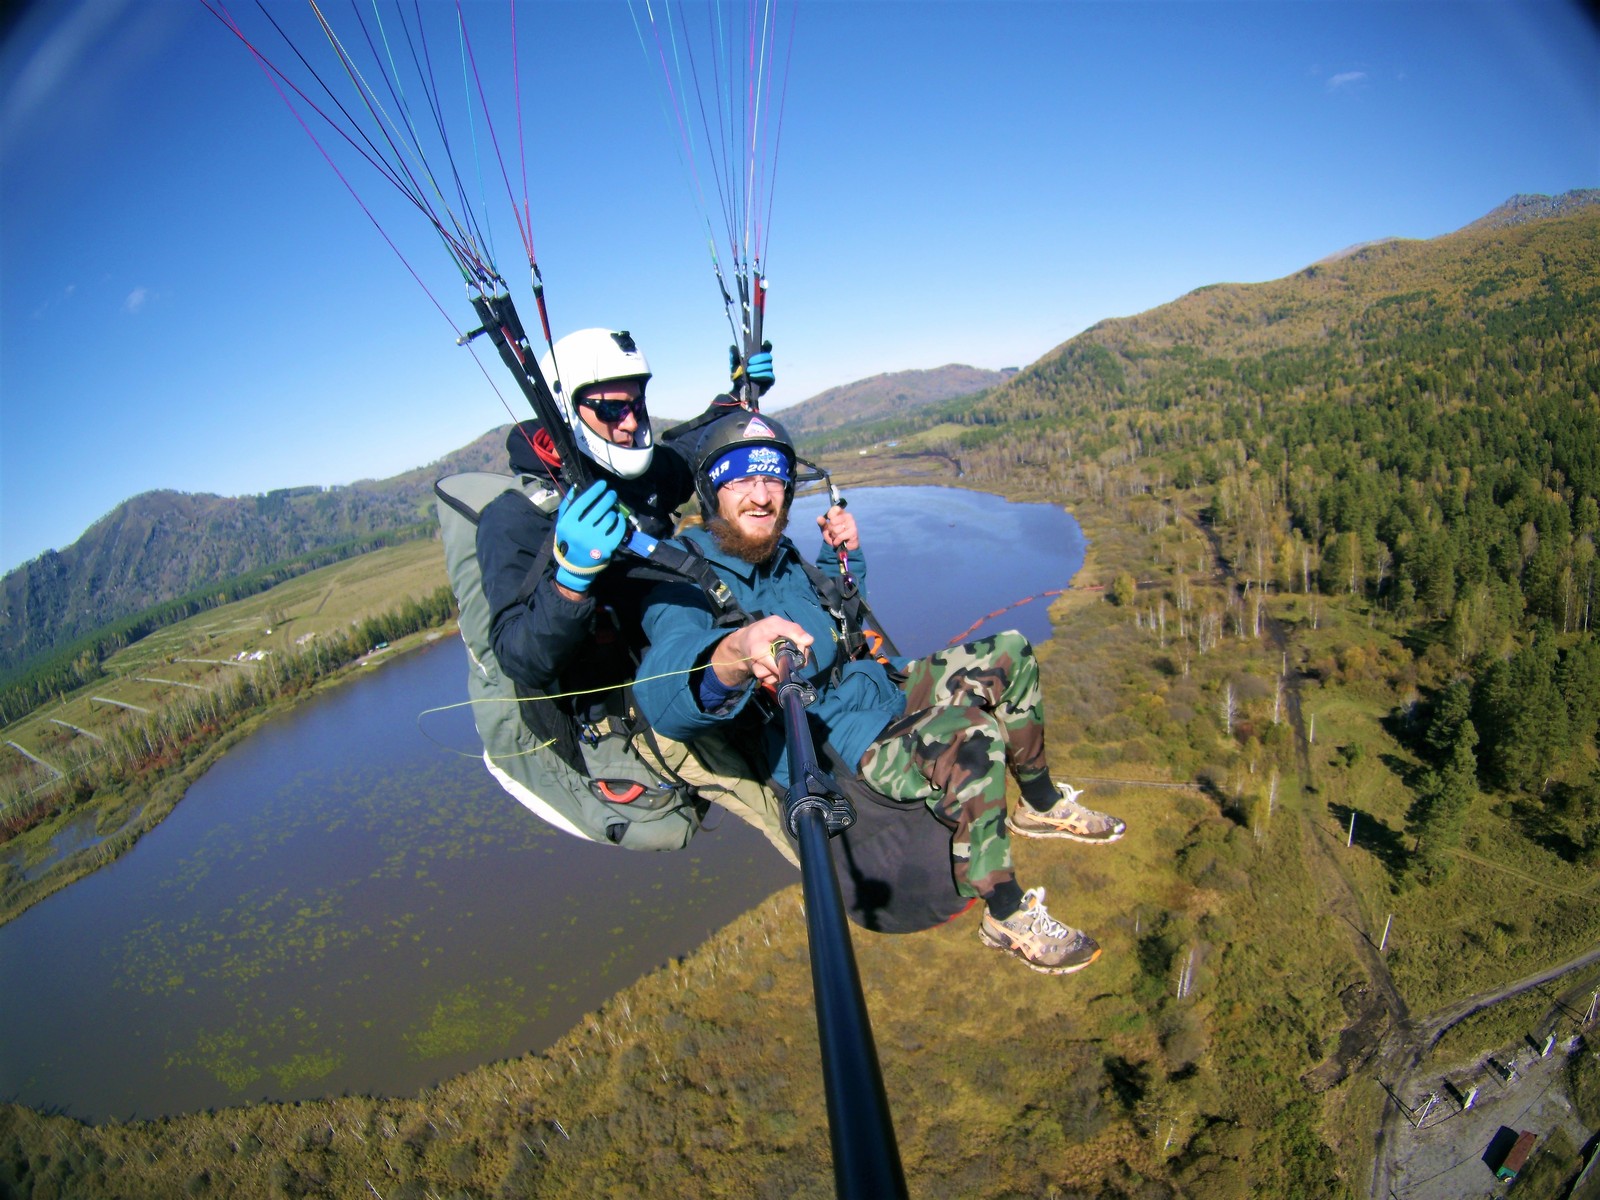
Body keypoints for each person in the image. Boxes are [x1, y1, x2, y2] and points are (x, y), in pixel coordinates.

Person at [633, 410, 1128, 974]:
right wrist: (732, 654)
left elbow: (842, 618)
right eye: (742, 479)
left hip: (879, 693)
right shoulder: (685, 581)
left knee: (1009, 653)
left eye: (773, 480)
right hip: (841, 747)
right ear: (711, 490)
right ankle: (1007, 912)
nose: (762, 495)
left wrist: (844, 556)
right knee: (971, 736)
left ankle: (1038, 805)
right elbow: (664, 697)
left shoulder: (778, 556)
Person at [474, 328, 797, 857]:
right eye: (610, 409)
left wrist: (735, 399)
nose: (629, 423)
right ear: (567, 410)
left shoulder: (635, 474)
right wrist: (571, 579)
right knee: (781, 799)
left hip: (690, 651)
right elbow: (520, 656)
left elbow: (689, 451)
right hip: (633, 709)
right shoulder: (514, 520)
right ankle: (847, 890)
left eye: (637, 405)